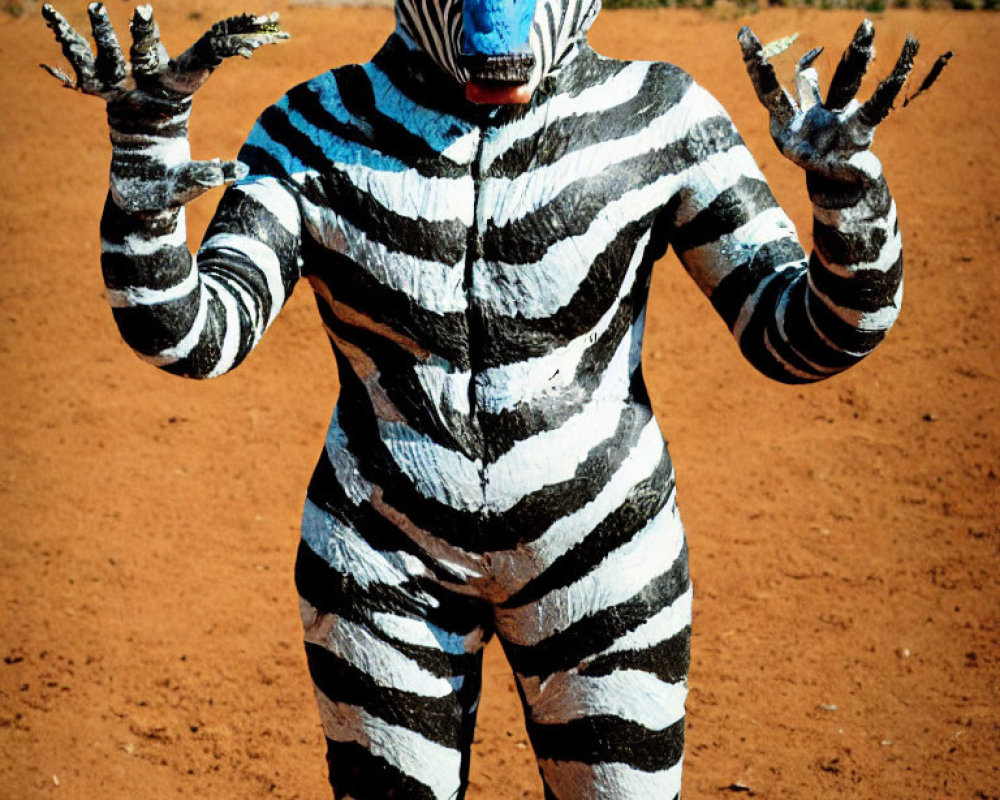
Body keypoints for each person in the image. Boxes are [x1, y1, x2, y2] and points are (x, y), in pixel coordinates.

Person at [42, 2, 927, 797]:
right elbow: (199, 336)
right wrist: (146, 158)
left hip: (606, 559)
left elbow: (806, 335)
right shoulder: (314, 129)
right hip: (380, 560)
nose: (494, 27)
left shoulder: (662, 116)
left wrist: (850, 189)